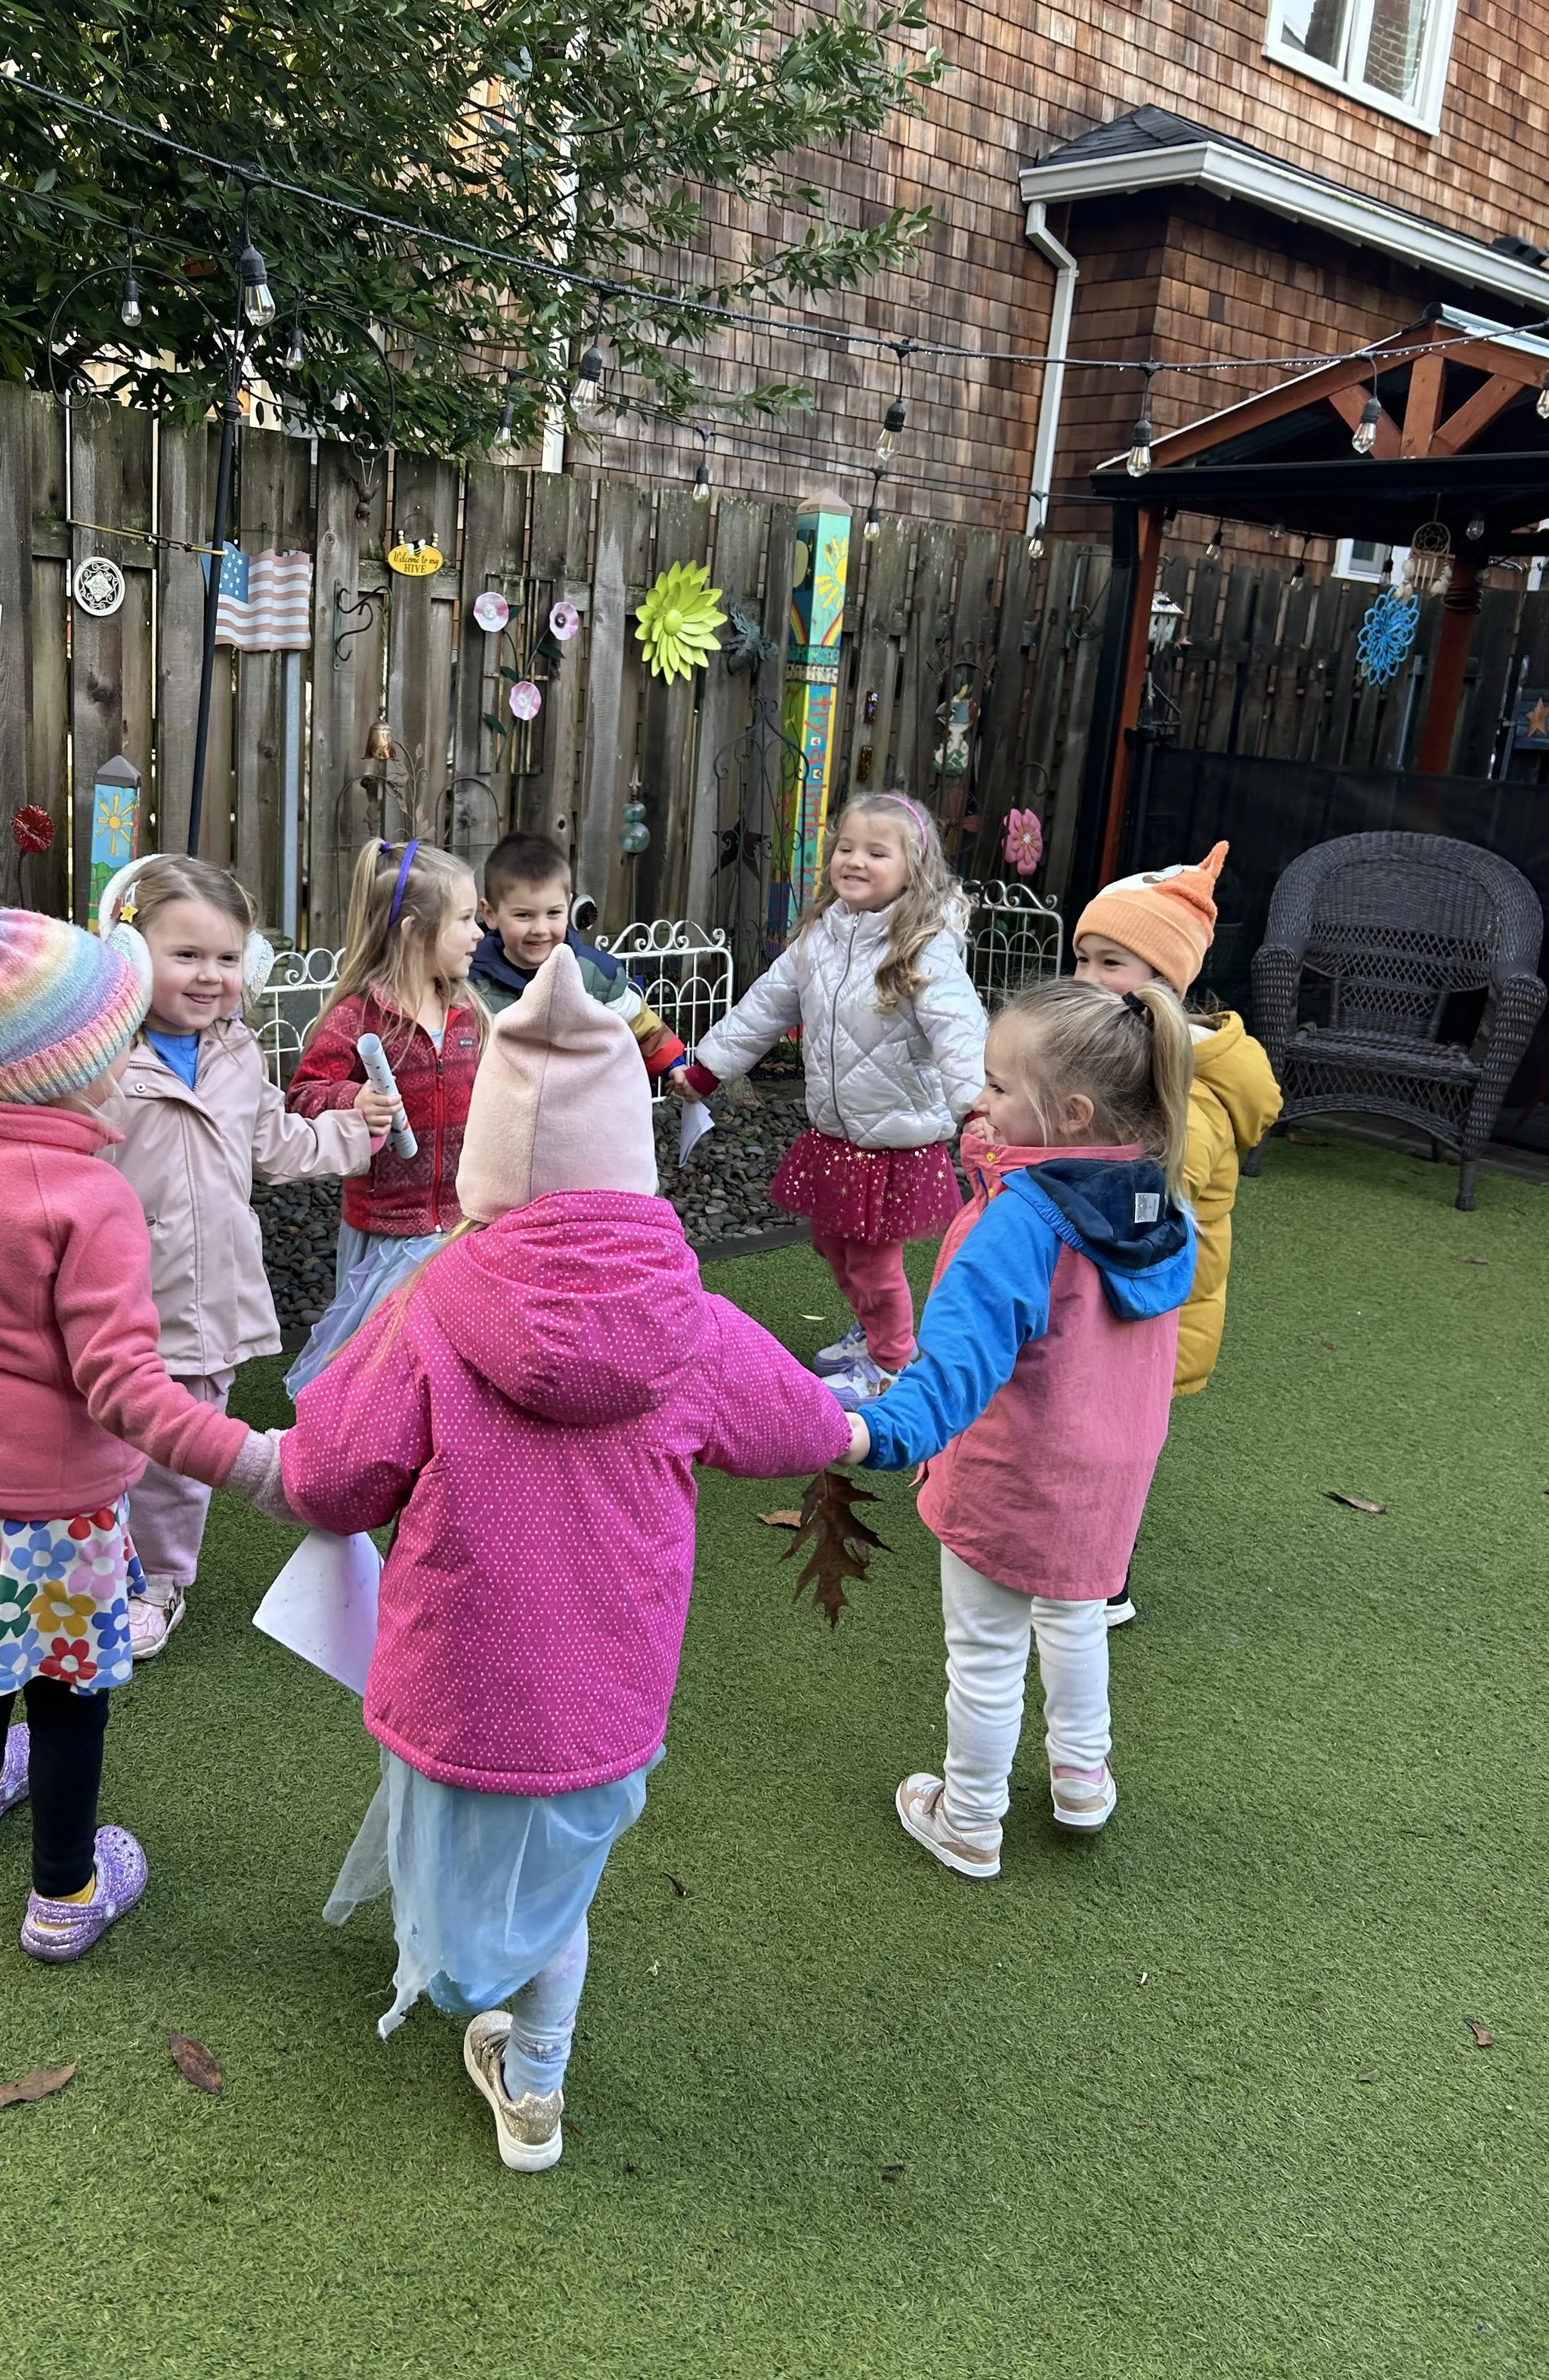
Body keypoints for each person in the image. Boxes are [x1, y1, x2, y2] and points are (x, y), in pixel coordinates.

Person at [227, 946, 850, 2171]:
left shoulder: (430, 1305)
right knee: (559, 1894)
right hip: (606, 1695)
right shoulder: (691, 1318)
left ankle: (463, 1975)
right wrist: (867, 1420)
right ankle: (537, 2083)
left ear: (491, 1161)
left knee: (458, 1834)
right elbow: (800, 1428)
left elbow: (329, 1476)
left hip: (455, 1681)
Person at [0, 908, 260, 1960]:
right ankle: (66, 1891)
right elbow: (127, 1388)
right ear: (83, 1068)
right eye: (124, 1039)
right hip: (58, 1500)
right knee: (70, 1687)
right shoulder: (87, 1199)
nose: (135, 1057)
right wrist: (250, 1462)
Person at [838, 977, 1198, 1881]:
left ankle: (969, 1817)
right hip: (1109, 1473)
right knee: (1076, 1616)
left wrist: (878, 1433)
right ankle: (1082, 1778)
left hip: (1014, 1472)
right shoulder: (1156, 1200)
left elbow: (955, 1366)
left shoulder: (1019, 1226)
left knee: (987, 1652)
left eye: (998, 1087)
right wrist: (994, 1154)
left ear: (1070, 1114)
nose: (978, 1099)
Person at [96, 853, 379, 1661]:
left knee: (180, 1457)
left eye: (227, 958)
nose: (209, 976)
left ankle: (157, 1581)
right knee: (96, 1443)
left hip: (206, 1298)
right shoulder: (98, 1059)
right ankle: (87, 1568)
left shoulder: (236, 1051)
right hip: (109, 1298)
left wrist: (357, 1129)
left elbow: (276, 1144)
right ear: (126, 957)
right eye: (185, 955)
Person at [677, 792, 988, 1409]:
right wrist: (709, 1069)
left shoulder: (922, 944)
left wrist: (977, 1108)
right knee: (831, 1241)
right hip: (836, 1132)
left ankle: (891, 1362)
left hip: (893, 1138)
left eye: (877, 851)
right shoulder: (821, 935)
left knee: (872, 1258)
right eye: (846, 847)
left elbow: (959, 1030)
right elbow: (765, 1006)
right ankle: (874, 1331)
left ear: (913, 868)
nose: (855, 860)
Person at [1071, 843, 1281, 1625]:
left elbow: (1149, 1207)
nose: (1088, 978)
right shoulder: (1120, 1051)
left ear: (1164, 981)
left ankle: (1103, 1582)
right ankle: (1077, 1552)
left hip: (1153, 1306)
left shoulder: (1183, 1100)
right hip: (1122, 1291)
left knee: (1117, 1440)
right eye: (1083, 958)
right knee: (1090, 1428)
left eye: (1111, 962)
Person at [281, 840, 484, 1397]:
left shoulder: (472, 1013)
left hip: (461, 1220)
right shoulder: (359, 1015)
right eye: (465, 919)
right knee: (374, 1360)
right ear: (416, 930)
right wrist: (352, 1100)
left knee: (443, 1356)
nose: (478, 933)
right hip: (385, 1227)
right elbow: (302, 1096)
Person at [471, 828, 688, 1081]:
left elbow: (641, 1023)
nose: (540, 929)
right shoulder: (472, 981)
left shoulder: (595, 974)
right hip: (503, 1102)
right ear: (490, 914)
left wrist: (675, 1066)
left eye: (553, 913)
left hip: (577, 1103)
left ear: (568, 905)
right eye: (523, 915)